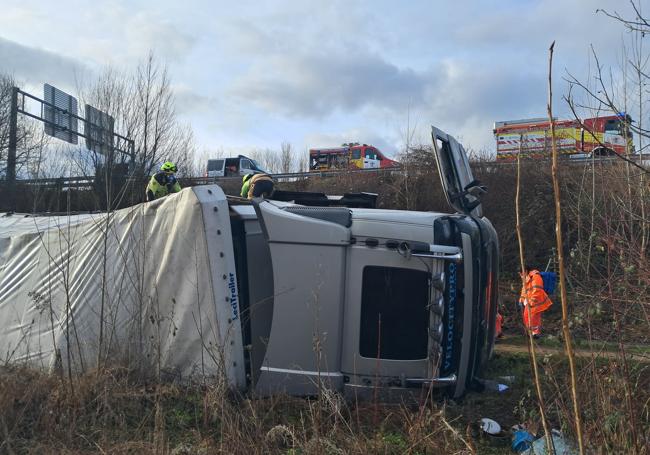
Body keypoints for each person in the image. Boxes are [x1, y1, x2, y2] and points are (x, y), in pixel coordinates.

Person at [518, 265, 553, 338]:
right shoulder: (526, 278)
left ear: (526, 271)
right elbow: (524, 290)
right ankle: (530, 332)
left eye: (521, 273)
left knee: (534, 317)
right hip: (529, 301)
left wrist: (532, 301)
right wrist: (521, 299)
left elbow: (537, 290)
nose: (520, 276)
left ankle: (536, 333)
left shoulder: (536, 277)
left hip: (537, 301)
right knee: (526, 316)